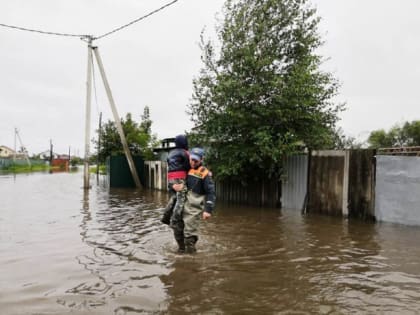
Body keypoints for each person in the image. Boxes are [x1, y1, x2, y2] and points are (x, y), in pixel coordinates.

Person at [171, 147, 216, 253]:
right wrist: (173, 186)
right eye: (192, 159)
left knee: (189, 236)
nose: (193, 162)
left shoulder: (205, 174)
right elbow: (173, 181)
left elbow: (211, 193)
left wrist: (208, 210)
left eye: (196, 160)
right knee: (177, 229)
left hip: (193, 208)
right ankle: (181, 252)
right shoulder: (185, 168)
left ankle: (192, 260)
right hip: (181, 205)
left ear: (201, 160)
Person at [161, 135, 190, 230]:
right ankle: (175, 220)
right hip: (180, 178)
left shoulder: (171, 152)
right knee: (181, 199)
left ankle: (165, 216)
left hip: (170, 179)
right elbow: (188, 165)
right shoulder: (185, 152)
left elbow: (169, 163)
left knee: (174, 198)